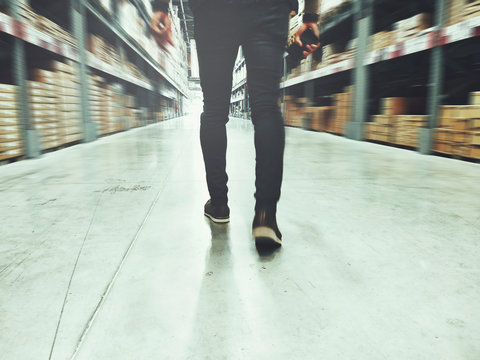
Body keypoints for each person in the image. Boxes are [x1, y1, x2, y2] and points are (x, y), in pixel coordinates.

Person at [151, 0, 321, 248]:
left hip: (213, 10)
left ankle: (219, 203)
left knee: (214, 111)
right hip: (270, 8)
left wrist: (160, 8)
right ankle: (266, 216)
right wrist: (312, 16)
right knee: (266, 108)